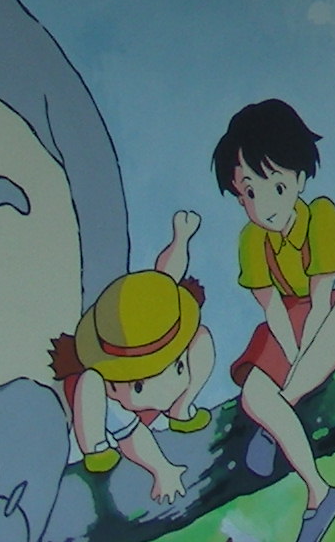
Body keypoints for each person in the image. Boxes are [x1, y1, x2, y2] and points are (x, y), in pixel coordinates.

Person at [213, 100, 335, 542]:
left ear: (300, 179)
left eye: (277, 186)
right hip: (285, 326)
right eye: (250, 193)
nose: (264, 204)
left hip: (327, 316)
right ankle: (319, 493)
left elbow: (322, 297)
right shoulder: (251, 240)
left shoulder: (322, 215)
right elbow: (271, 308)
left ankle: (280, 414)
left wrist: (299, 365)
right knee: (253, 390)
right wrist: (291, 353)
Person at [50, 209, 217, 503]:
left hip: (137, 407)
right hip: (98, 419)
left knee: (201, 336)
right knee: (89, 385)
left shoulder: (164, 330)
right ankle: (96, 449)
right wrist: (162, 469)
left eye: (179, 367)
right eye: (140, 384)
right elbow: (132, 435)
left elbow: (166, 278)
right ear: (116, 383)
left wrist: (181, 239)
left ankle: (182, 409)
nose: (167, 388)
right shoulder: (105, 393)